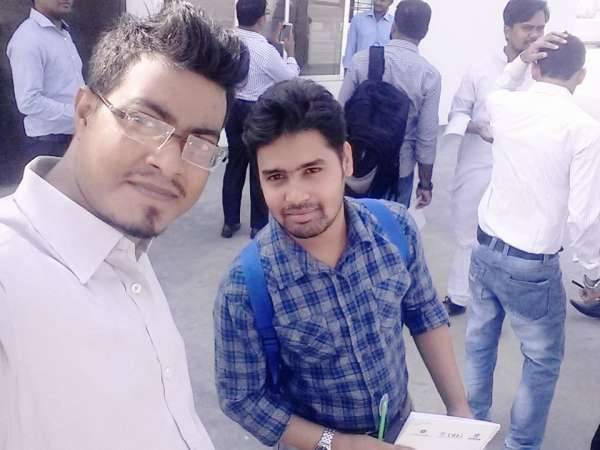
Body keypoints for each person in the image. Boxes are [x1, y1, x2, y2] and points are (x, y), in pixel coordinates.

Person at [0, 2, 249, 449]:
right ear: (84, 112)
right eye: (145, 121)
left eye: (199, 143)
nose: (169, 163)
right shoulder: (10, 272)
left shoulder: (125, 248)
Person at [214, 78, 471, 450]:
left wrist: (458, 408)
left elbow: (424, 314)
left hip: (403, 429)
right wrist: (344, 445)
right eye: (276, 177)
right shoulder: (246, 287)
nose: (295, 196)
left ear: (346, 160)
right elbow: (242, 398)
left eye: (312, 171)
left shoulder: (395, 229)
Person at [465, 32, 600, 450]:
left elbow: (497, 86)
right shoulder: (584, 129)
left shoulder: (506, 105)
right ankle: (521, 444)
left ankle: (471, 425)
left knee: (479, 342)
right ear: (581, 75)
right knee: (541, 360)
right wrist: (593, 273)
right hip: (531, 264)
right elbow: (584, 216)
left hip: (485, 248)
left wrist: (520, 59)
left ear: (537, 68)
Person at [443, 0, 549, 316]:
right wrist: (477, 127)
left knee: (513, 239)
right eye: (527, 27)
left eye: (540, 28)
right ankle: (458, 296)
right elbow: (457, 113)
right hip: (477, 163)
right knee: (467, 234)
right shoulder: (480, 68)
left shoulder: (545, 73)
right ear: (507, 30)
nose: (535, 35)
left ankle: (500, 303)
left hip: (523, 169)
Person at [339, 0, 440, 209]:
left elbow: (338, 116)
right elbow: (427, 137)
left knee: (351, 221)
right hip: (399, 169)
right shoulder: (429, 76)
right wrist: (425, 184)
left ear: (394, 26)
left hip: (357, 163)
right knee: (391, 225)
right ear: (425, 33)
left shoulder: (361, 61)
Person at [221, 0, 300, 239]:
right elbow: (288, 78)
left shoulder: (226, 41)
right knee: (259, 168)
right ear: (261, 19)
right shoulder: (265, 51)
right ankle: (258, 225)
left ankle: (230, 222)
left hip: (232, 107)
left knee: (235, 164)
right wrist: (291, 53)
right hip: (256, 111)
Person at [6, 0, 84, 161]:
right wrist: (78, 113)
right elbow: (29, 101)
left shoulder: (64, 34)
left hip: (75, 138)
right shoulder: (27, 38)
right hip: (49, 144)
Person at [342, 0, 394, 70]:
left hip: (385, 71)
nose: (377, 3)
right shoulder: (358, 19)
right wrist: (347, 68)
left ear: (391, 2)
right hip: (360, 70)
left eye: (382, 0)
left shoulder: (394, 24)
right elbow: (350, 47)